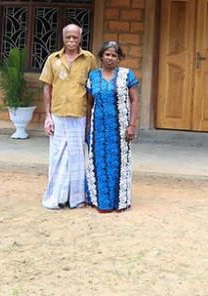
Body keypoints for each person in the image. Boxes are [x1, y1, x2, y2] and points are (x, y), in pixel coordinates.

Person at [39, 23, 97, 209]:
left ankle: (76, 199)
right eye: (68, 37)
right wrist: (47, 116)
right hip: (58, 114)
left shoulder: (88, 59)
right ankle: (55, 198)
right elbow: (47, 88)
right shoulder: (53, 59)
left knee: (77, 157)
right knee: (57, 157)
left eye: (75, 37)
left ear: (81, 37)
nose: (71, 41)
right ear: (63, 38)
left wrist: (90, 119)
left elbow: (92, 90)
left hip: (79, 115)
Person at [86, 41, 139, 212]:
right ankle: (102, 202)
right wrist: (87, 127)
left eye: (114, 55)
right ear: (101, 56)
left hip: (120, 129)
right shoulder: (93, 76)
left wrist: (132, 125)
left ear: (119, 58)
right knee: (99, 162)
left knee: (119, 163)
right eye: (107, 54)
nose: (110, 58)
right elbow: (89, 104)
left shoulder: (126, 75)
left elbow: (135, 100)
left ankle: (120, 202)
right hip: (98, 128)